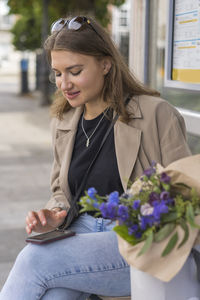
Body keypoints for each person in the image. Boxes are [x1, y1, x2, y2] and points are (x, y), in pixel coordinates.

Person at [0, 15, 191, 300]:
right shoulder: (64, 121)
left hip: (138, 241)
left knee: (34, 259)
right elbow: (61, 192)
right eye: (58, 73)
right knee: (54, 295)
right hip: (80, 233)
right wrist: (53, 217)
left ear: (105, 64)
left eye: (75, 71)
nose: (64, 84)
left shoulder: (155, 114)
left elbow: (187, 193)